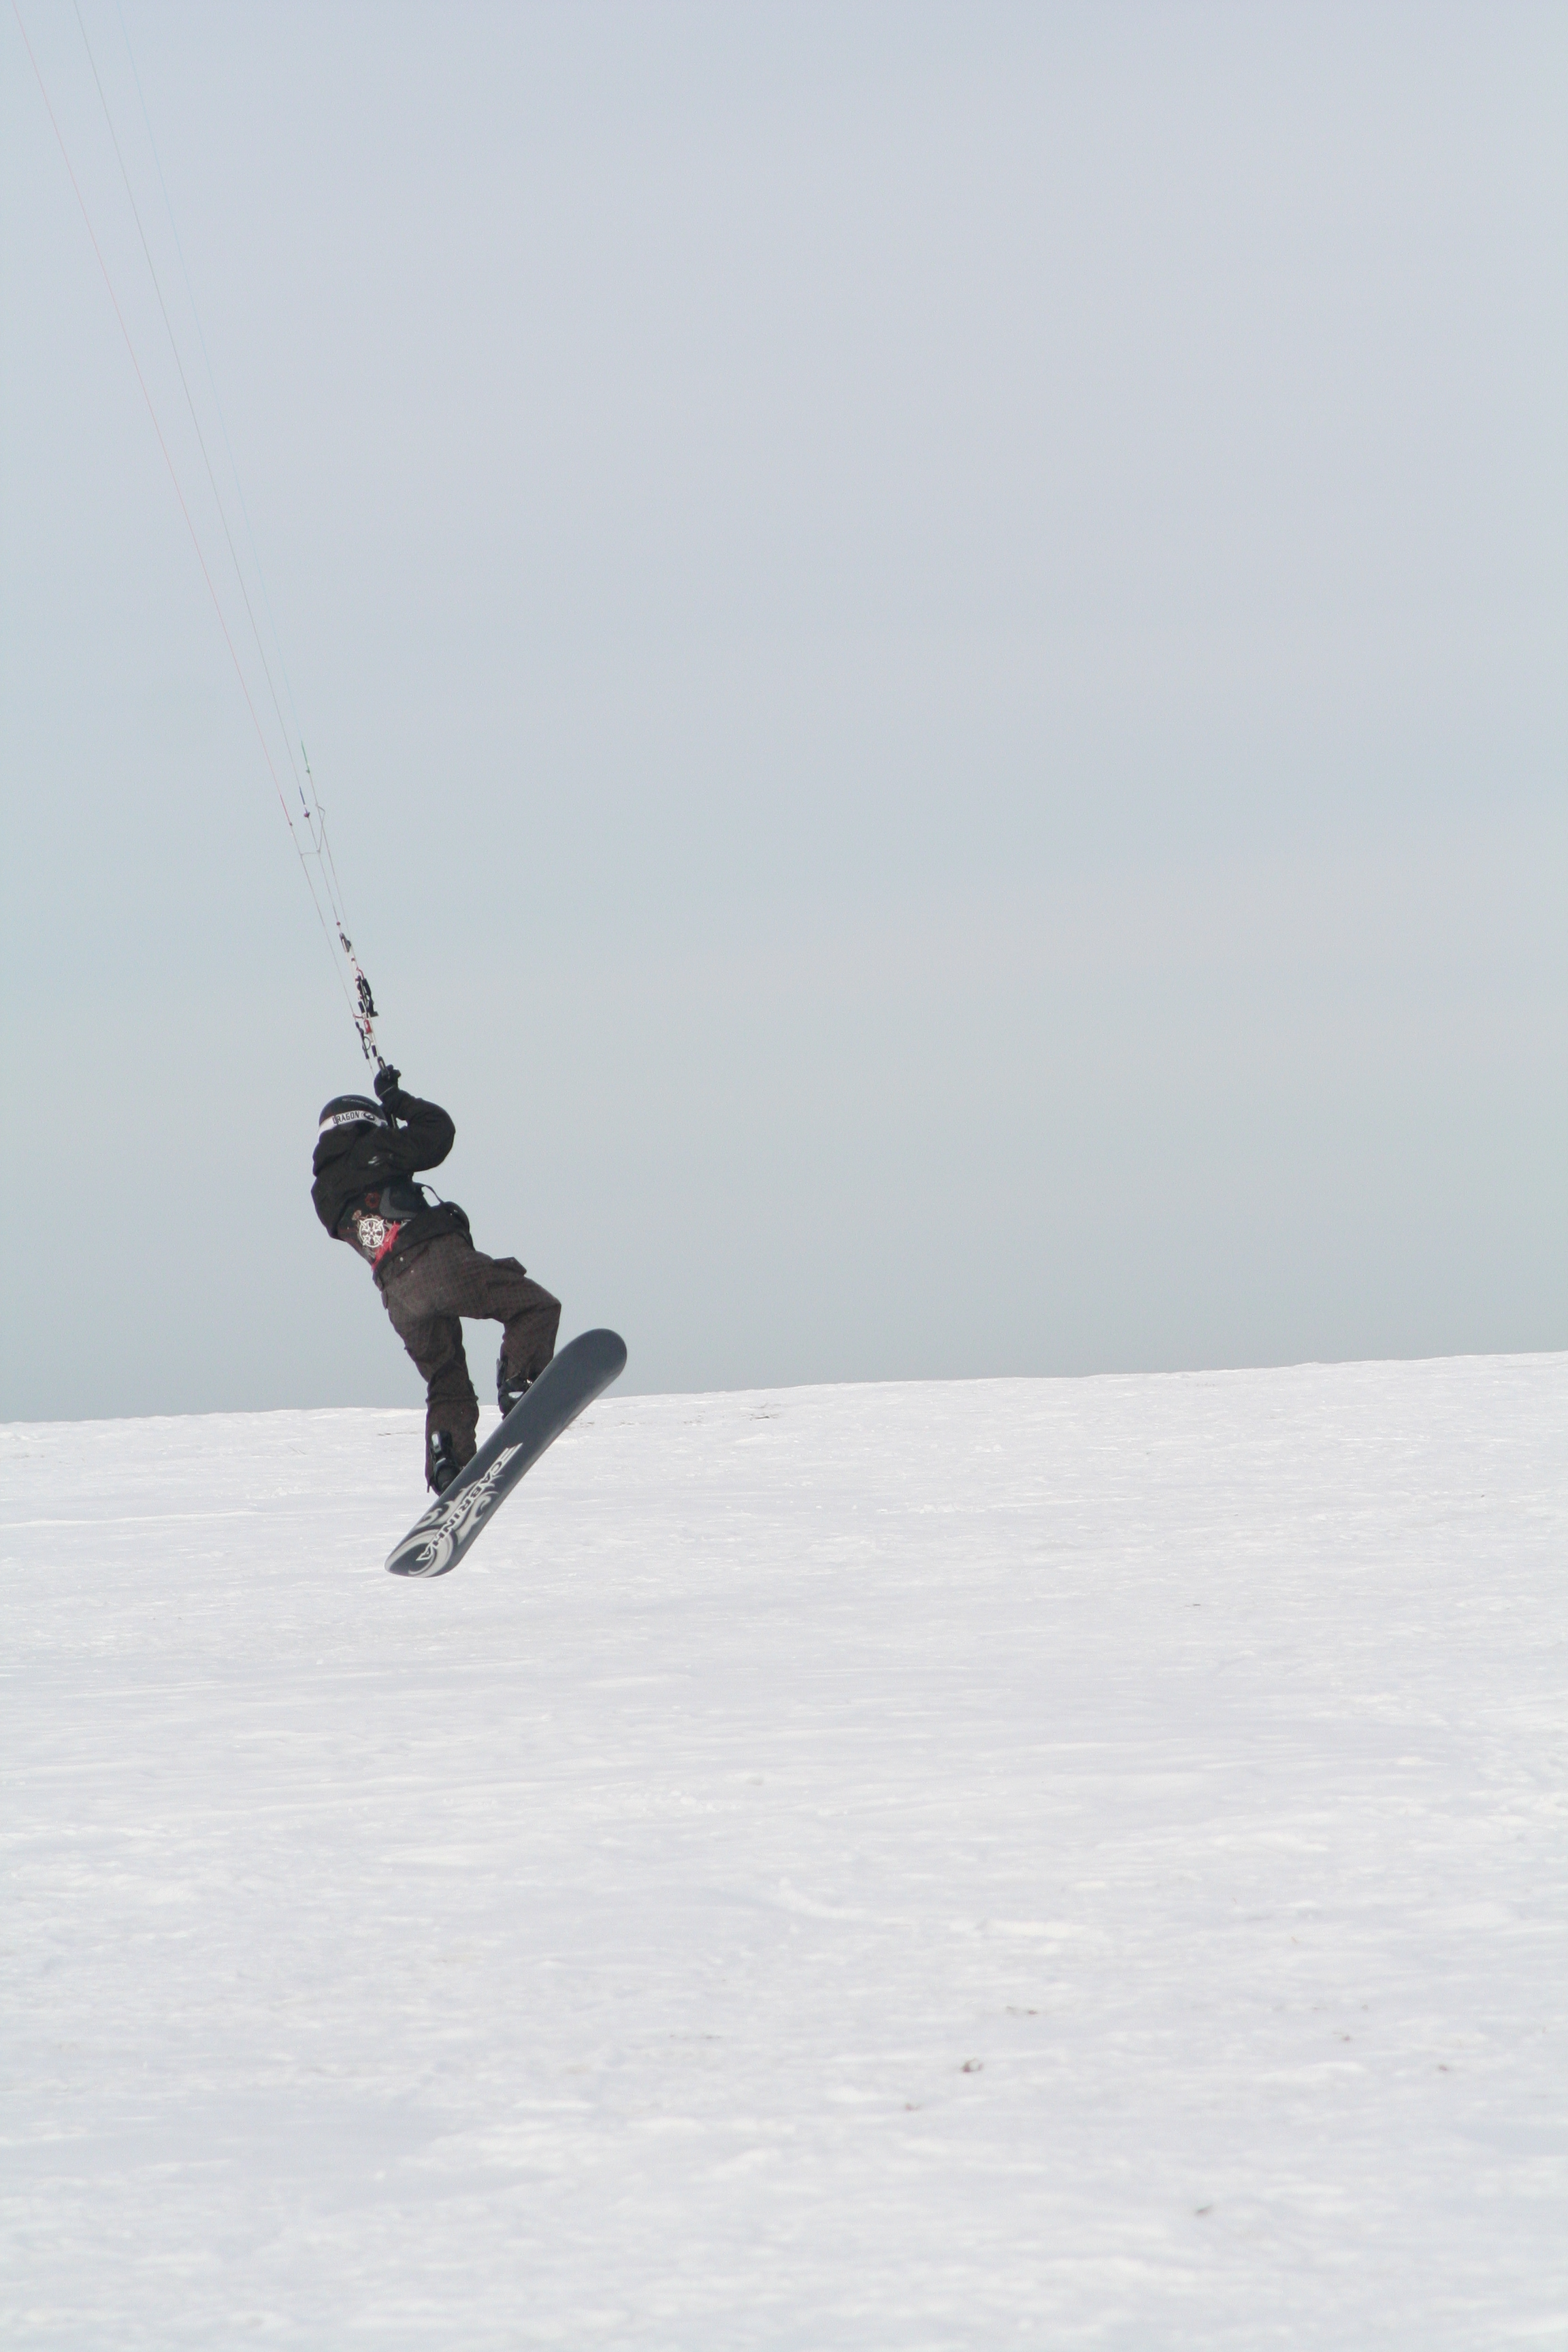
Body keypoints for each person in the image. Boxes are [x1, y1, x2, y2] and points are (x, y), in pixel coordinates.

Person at [312, 1066, 560, 1493]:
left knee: (446, 1382)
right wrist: (397, 1099)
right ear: (366, 1122)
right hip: (435, 1263)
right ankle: (520, 1383)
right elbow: (437, 1132)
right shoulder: (372, 1149)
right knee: (535, 1307)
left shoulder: (323, 1192)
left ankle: (448, 1461)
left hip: (398, 1298)